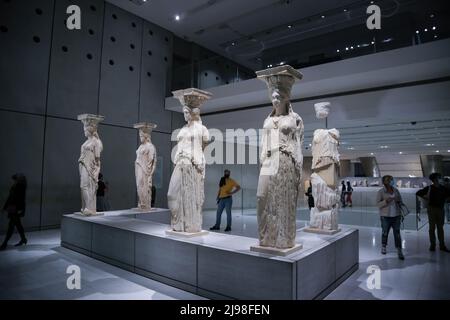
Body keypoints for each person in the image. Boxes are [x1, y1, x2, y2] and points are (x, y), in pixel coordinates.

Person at [417, 173, 450, 252]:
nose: (440, 179)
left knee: (440, 228)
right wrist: (426, 198)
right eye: (439, 178)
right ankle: (433, 244)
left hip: (440, 209)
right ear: (435, 179)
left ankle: (441, 245)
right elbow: (418, 193)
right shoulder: (429, 188)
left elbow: (448, 195)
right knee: (432, 228)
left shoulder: (443, 188)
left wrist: (445, 200)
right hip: (432, 209)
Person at [376, 175, 404, 260]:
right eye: (390, 180)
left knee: (397, 233)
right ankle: (384, 246)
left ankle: (399, 249)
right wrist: (386, 201)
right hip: (385, 216)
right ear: (385, 182)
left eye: (392, 179)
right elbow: (378, 204)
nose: (391, 181)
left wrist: (398, 200)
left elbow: (401, 201)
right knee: (385, 232)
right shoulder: (381, 192)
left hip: (396, 215)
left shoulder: (396, 190)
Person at [1, 174, 28, 250]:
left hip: (16, 209)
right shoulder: (15, 186)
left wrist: (22, 210)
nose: (14, 180)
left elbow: (22, 199)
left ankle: (5, 243)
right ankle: (23, 239)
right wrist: (5, 207)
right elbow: (10, 197)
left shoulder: (21, 186)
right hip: (12, 208)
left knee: (11, 225)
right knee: (18, 225)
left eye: (15, 179)